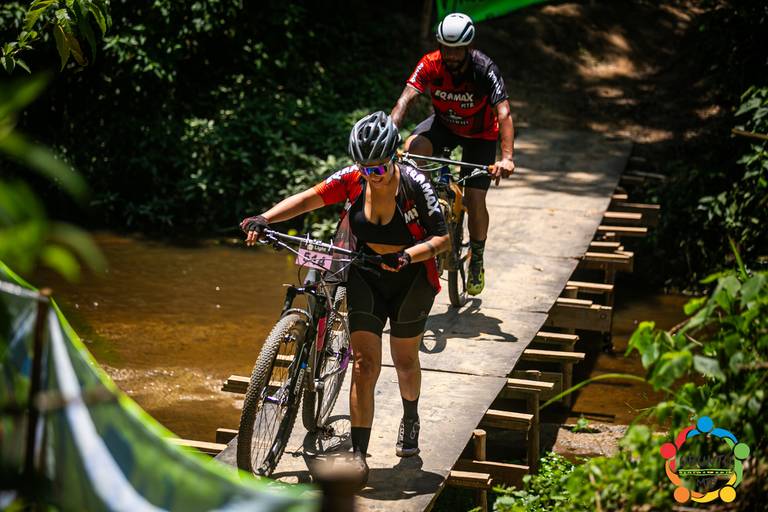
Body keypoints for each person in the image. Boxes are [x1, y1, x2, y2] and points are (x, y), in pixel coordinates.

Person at [240, 112, 449, 486]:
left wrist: (407, 256)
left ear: (393, 158)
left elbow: (442, 238)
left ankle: (410, 417)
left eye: (379, 167)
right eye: (366, 168)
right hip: (366, 273)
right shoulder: (353, 178)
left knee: (404, 360)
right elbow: (310, 198)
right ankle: (359, 454)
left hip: (411, 278)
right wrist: (264, 218)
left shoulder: (415, 183)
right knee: (364, 364)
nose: (373, 175)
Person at [391, 12, 515, 296]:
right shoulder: (430, 63)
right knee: (413, 151)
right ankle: (423, 215)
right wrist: (388, 133)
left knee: (474, 199)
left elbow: (504, 112)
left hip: (480, 135)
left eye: (457, 49)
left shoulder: (484, 68)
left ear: (468, 46)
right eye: (446, 48)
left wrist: (507, 157)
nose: (451, 55)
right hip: (444, 125)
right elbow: (404, 100)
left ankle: (477, 257)